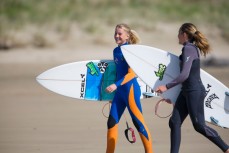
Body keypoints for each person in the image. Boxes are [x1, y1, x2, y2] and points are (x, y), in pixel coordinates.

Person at [156, 23, 229, 153]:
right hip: (186, 91)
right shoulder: (188, 49)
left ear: (184, 34)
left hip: (194, 92)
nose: (177, 36)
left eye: (179, 33)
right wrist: (172, 93)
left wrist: (166, 87)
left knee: (199, 126)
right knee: (174, 122)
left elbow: (184, 75)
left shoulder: (189, 49)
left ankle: (226, 148)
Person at [105, 23, 154, 153]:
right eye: (115, 33)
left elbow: (132, 74)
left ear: (127, 36)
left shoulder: (130, 51)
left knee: (138, 123)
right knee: (111, 123)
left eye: (119, 33)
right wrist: (113, 92)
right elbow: (117, 72)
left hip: (130, 90)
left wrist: (115, 85)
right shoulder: (116, 51)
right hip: (120, 92)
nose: (116, 36)